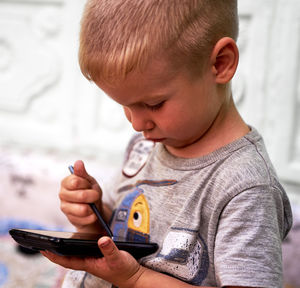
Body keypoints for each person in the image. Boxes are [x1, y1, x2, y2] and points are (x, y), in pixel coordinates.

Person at [41, 0, 293, 287]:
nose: (136, 124)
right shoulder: (146, 146)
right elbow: (123, 236)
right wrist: (93, 218)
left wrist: (134, 278)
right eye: (125, 106)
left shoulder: (246, 186)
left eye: (154, 104)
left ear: (220, 63)